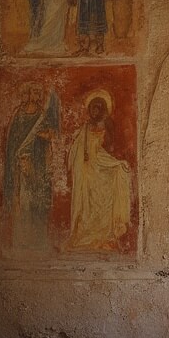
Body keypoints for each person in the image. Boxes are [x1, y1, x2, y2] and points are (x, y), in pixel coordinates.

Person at [67, 91, 132, 251]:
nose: (95, 111)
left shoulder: (108, 125)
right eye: (92, 108)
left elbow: (108, 149)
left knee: (105, 205)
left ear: (103, 109)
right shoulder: (85, 127)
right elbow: (79, 149)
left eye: (98, 108)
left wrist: (117, 163)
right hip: (88, 174)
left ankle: (106, 237)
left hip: (104, 171)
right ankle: (86, 237)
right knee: (87, 206)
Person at [4, 83, 58, 248]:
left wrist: (44, 136)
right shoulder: (19, 115)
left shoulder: (42, 115)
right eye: (35, 92)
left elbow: (50, 136)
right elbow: (12, 141)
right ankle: (22, 241)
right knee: (23, 200)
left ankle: (38, 241)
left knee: (37, 203)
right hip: (22, 164)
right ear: (27, 93)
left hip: (38, 164)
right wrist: (18, 159)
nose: (38, 96)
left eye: (39, 92)